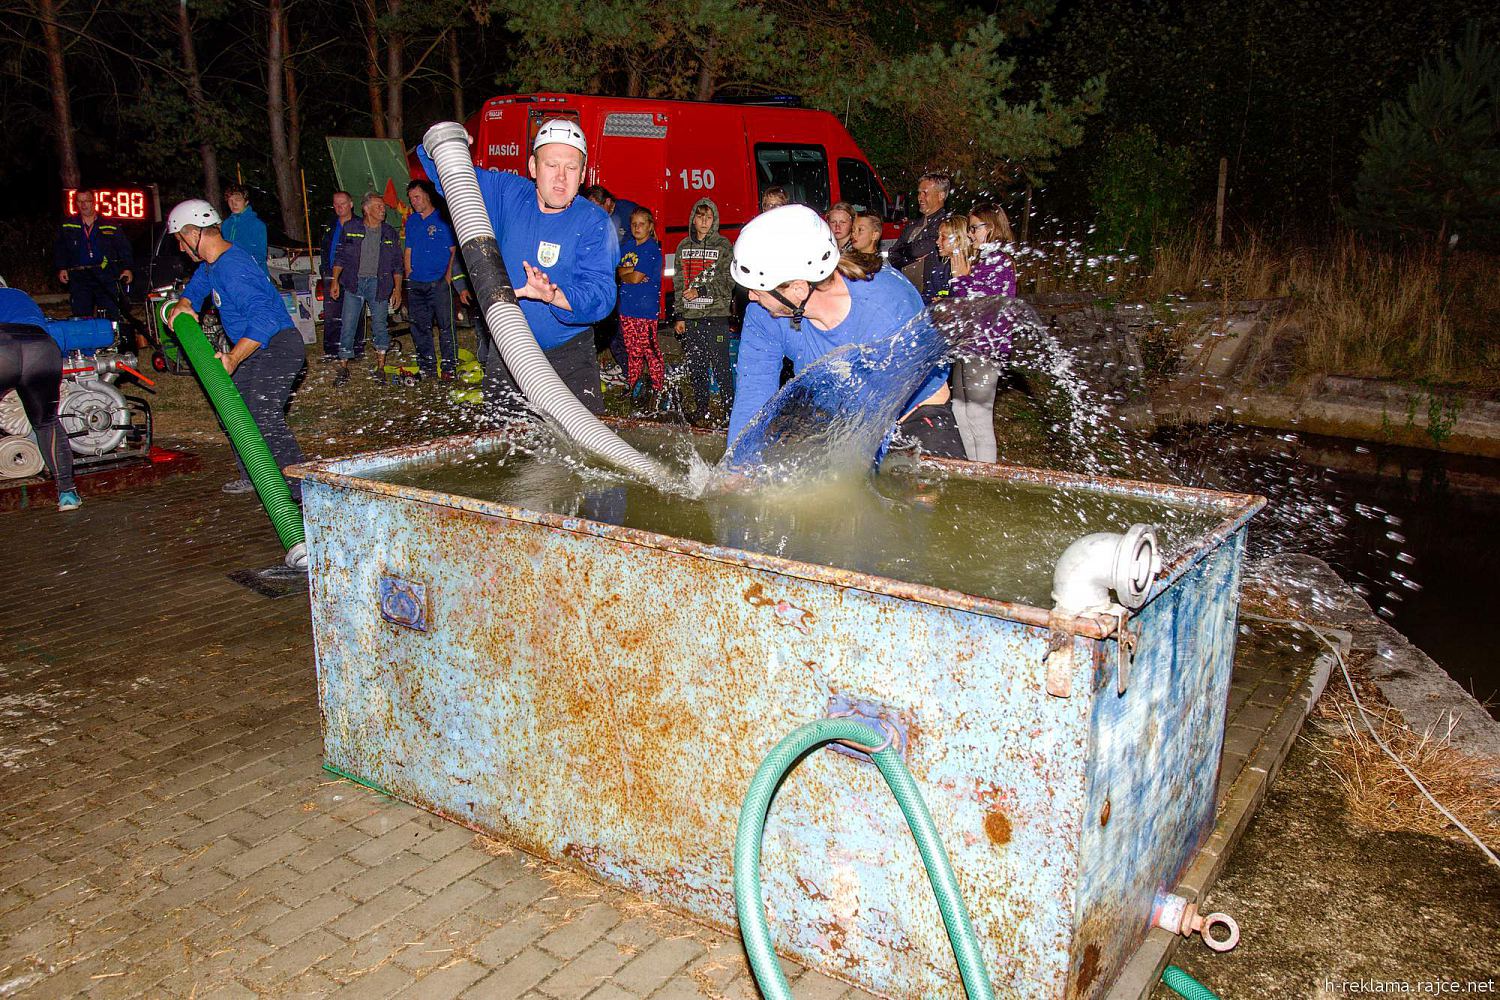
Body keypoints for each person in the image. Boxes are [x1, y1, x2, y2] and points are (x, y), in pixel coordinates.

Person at [727, 205, 963, 458]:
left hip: (912, 412)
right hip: (840, 412)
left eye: (757, 290)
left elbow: (877, 417)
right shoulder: (763, 312)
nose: (751, 296)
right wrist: (737, 465)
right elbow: (753, 392)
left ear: (797, 288)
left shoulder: (886, 309)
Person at [417, 118, 618, 414]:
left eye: (571, 168)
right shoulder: (507, 193)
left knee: (582, 452)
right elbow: (449, 178)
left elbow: (602, 296)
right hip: (509, 350)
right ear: (534, 167)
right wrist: (443, 145)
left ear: (583, 173)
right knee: (504, 448)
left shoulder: (594, 221)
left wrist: (553, 296)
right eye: (551, 165)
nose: (561, 178)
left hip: (570, 356)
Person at [163, 200, 306, 499]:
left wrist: (232, 357)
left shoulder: (233, 268)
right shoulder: (212, 264)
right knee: (233, 409)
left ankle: (303, 490)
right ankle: (253, 474)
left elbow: (265, 319)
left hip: (278, 344)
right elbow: (198, 285)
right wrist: (186, 302)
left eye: (179, 241)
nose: (179, 249)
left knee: (263, 413)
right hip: (254, 349)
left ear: (192, 235)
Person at [944, 202, 1019, 463]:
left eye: (975, 228)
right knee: (959, 410)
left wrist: (961, 278)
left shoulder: (1000, 262)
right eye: (970, 228)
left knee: (978, 419)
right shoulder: (983, 260)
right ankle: (972, 470)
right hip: (968, 347)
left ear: (993, 227)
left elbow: (982, 308)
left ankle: (986, 479)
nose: (970, 234)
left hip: (986, 351)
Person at [0, 286, 80, 510]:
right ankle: (67, 494)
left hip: (2, 346)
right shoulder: (18, 294)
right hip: (41, 347)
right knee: (47, 423)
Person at [673, 197, 736, 426]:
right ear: (693, 218)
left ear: (715, 219)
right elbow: (679, 283)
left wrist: (702, 290)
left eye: (709, 217)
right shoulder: (683, 247)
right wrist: (679, 315)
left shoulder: (723, 246)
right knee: (696, 365)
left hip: (716, 315)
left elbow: (728, 280)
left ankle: (731, 412)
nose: (704, 221)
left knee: (721, 366)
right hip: (691, 318)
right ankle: (701, 409)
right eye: (700, 216)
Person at [331, 192, 403, 384]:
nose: (383, 209)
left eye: (383, 207)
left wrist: (397, 289)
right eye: (378, 206)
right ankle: (343, 367)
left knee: (379, 325)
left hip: (379, 285)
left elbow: (397, 264)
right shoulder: (351, 228)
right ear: (366, 209)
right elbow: (340, 257)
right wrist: (334, 280)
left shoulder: (389, 232)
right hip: (354, 284)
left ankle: (380, 367)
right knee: (348, 324)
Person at [403, 179, 459, 379]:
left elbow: (454, 251)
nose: (414, 202)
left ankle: (449, 368)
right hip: (416, 282)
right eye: (411, 199)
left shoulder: (443, 219)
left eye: (417, 197)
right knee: (419, 327)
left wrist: (448, 277)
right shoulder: (412, 221)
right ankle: (427, 367)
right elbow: (408, 248)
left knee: (445, 326)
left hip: (439, 283)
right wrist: (408, 271)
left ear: (427, 195)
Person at [54, 190, 133, 320]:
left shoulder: (110, 224)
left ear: (94, 202)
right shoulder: (68, 224)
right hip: (79, 276)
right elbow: (60, 248)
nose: (84, 205)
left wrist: (127, 268)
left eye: (87, 201)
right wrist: (61, 267)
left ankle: (113, 338)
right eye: (80, 201)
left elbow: (124, 247)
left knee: (110, 314)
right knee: (81, 316)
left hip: (105, 274)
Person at [616, 207, 665, 407]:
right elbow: (619, 272)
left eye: (641, 224)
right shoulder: (627, 246)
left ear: (650, 226)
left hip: (645, 310)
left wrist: (628, 273)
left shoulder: (652, 249)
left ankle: (657, 389)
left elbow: (635, 278)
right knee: (632, 350)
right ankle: (633, 385)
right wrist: (628, 272)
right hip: (627, 308)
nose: (637, 227)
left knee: (650, 351)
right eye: (634, 224)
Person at [318, 190, 363, 362]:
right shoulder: (330, 225)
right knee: (331, 313)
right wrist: (324, 269)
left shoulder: (360, 225)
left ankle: (356, 349)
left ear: (351, 204)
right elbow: (325, 248)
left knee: (355, 313)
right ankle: (331, 350)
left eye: (342, 203)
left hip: (353, 274)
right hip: (330, 272)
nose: (339, 207)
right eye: (336, 204)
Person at [886, 172, 953, 276]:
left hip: (929, 287)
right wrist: (908, 258)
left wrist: (903, 253)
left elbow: (917, 251)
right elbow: (892, 254)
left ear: (941, 195)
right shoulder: (913, 224)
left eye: (925, 193)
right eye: (919, 193)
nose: (920, 197)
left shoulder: (947, 225)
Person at [221, 184, 269, 275]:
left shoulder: (257, 225)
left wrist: (243, 271)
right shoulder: (226, 225)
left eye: (238, 200)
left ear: (246, 202)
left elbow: (260, 256)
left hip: (253, 274)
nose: (233, 204)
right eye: (230, 200)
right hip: (231, 274)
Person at [922, 215, 971, 305]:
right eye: (938, 236)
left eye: (943, 237)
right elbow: (926, 299)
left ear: (959, 240)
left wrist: (947, 303)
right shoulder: (939, 271)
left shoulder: (976, 270)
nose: (937, 242)